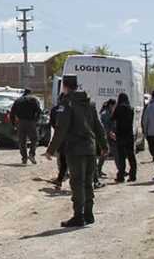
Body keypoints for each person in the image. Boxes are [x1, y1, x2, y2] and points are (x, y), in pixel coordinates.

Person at [45, 74, 108, 228]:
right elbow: (98, 127)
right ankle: (88, 213)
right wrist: (104, 146)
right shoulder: (89, 103)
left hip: (75, 149)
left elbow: (61, 129)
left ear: (65, 86)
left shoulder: (67, 104)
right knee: (88, 182)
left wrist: (51, 150)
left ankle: (78, 216)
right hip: (90, 148)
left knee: (77, 183)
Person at [10, 88, 42, 165]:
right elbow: (39, 111)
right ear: (30, 93)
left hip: (20, 122)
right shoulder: (33, 100)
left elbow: (12, 113)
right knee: (34, 139)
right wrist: (36, 121)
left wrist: (13, 123)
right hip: (31, 122)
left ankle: (24, 158)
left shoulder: (18, 100)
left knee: (22, 141)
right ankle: (31, 154)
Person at [112, 93, 138, 182]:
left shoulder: (118, 108)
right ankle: (133, 175)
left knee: (121, 157)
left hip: (120, 135)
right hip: (129, 135)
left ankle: (121, 176)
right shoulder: (130, 109)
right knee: (131, 156)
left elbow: (113, 118)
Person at [49, 92, 70, 189]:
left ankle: (60, 179)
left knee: (62, 160)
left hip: (61, 138)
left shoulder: (55, 109)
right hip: (71, 139)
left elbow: (53, 123)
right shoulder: (72, 108)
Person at [96, 99, 117, 188]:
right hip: (105, 136)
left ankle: (99, 169)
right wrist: (109, 133)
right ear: (110, 105)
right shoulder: (105, 114)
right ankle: (98, 170)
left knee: (110, 153)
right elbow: (104, 126)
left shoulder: (110, 112)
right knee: (104, 153)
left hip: (110, 135)